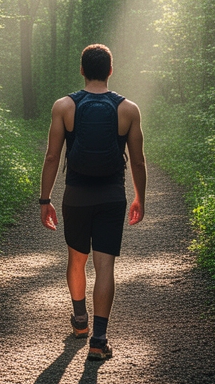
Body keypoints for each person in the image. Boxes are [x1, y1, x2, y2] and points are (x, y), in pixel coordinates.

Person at [39, 43, 146, 361]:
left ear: (82, 70)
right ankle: (99, 340)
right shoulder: (129, 109)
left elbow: (52, 156)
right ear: (110, 70)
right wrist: (140, 196)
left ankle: (80, 321)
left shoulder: (64, 106)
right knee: (105, 266)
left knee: (76, 260)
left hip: (76, 196)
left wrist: (45, 199)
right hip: (112, 197)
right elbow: (138, 162)